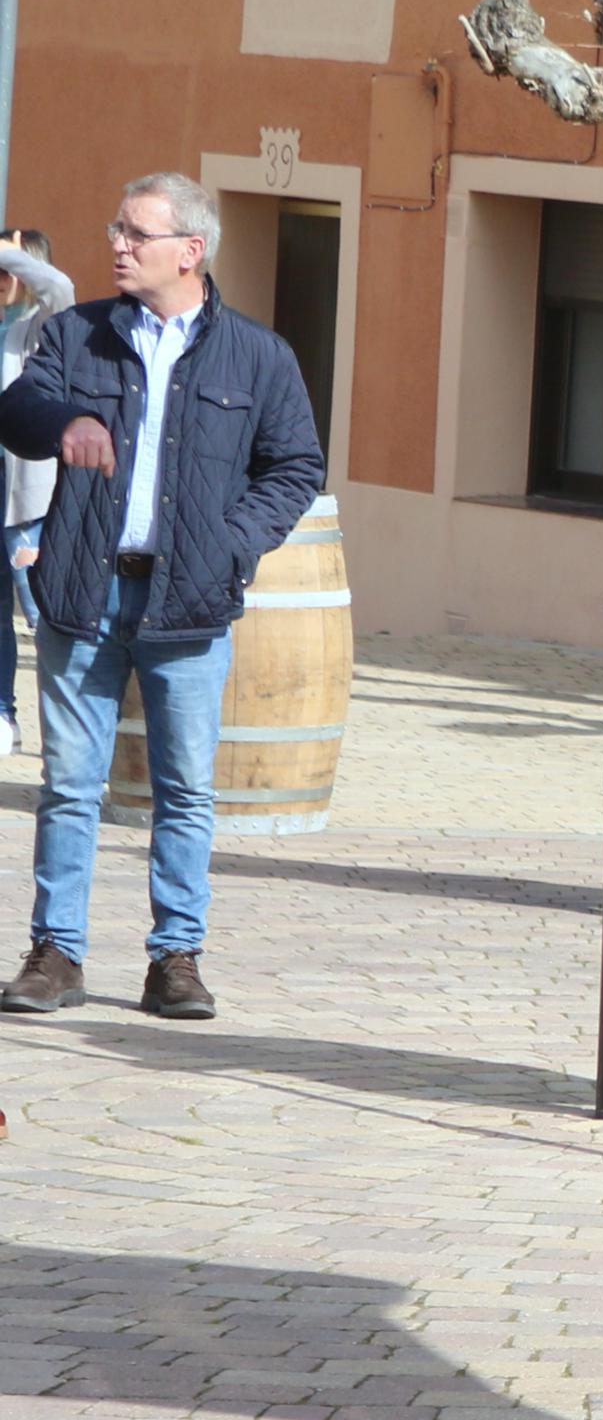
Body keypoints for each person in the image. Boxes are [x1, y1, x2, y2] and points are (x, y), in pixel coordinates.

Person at [0, 174, 325, 1020]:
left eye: (137, 233)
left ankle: (175, 958)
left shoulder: (259, 356)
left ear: (191, 249)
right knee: (71, 784)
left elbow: (295, 467)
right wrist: (63, 421)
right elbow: (19, 404)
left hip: (187, 601)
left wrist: (232, 539)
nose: (117, 244)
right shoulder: (77, 334)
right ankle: (56, 953)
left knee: (184, 789)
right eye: (116, 228)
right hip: (83, 588)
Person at [0, 228, 74, 762]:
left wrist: (11, 255)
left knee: (43, 616)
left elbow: (61, 289)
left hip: (25, 500)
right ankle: (4, 716)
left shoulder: (41, 327)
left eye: (7, 271)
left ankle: (68, 736)